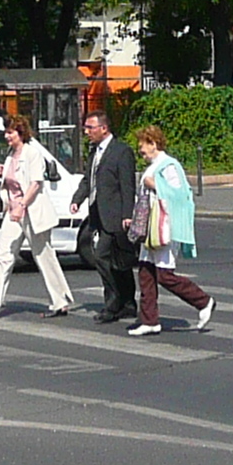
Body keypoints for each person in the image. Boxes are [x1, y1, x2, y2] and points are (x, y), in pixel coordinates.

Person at [0, 120, 75, 318]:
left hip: (32, 212)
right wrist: (2, 174)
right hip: (13, 212)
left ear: (21, 133)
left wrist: (22, 206)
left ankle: (61, 301)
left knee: (44, 256)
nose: (6, 136)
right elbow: (11, 182)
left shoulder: (32, 153)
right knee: (3, 255)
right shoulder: (10, 155)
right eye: (6, 132)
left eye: (10, 133)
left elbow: (36, 183)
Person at [128, 125, 213, 336]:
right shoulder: (156, 165)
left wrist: (155, 184)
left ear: (153, 144)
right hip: (151, 226)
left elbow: (180, 194)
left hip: (164, 227)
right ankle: (149, 320)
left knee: (164, 275)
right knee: (146, 272)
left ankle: (203, 301)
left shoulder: (169, 166)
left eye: (143, 147)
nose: (141, 151)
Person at [82, 109, 140, 324]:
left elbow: (127, 185)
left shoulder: (121, 151)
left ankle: (112, 304)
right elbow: (89, 180)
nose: (86, 131)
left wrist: (128, 214)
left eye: (90, 127)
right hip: (99, 214)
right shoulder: (94, 151)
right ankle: (128, 304)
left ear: (103, 128)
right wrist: (77, 198)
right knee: (117, 262)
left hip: (116, 216)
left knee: (104, 257)